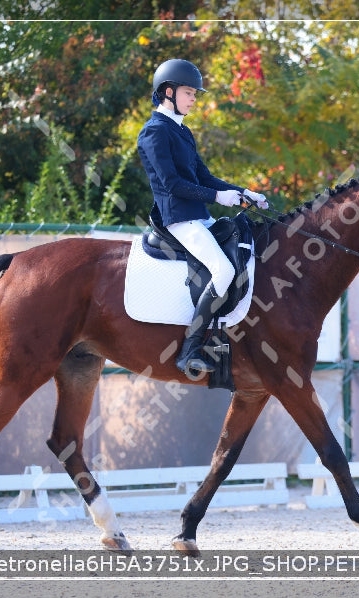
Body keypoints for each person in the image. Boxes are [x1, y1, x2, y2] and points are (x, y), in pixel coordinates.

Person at [137, 58, 267, 377]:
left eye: (195, 93)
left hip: (198, 216)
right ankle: (190, 348)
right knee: (222, 271)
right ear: (168, 92)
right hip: (178, 219)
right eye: (188, 92)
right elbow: (171, 184)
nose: (194, 99)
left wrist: (244, 192)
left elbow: (205, 178)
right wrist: (217, 198)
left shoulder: (183, 131)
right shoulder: (154, 132)